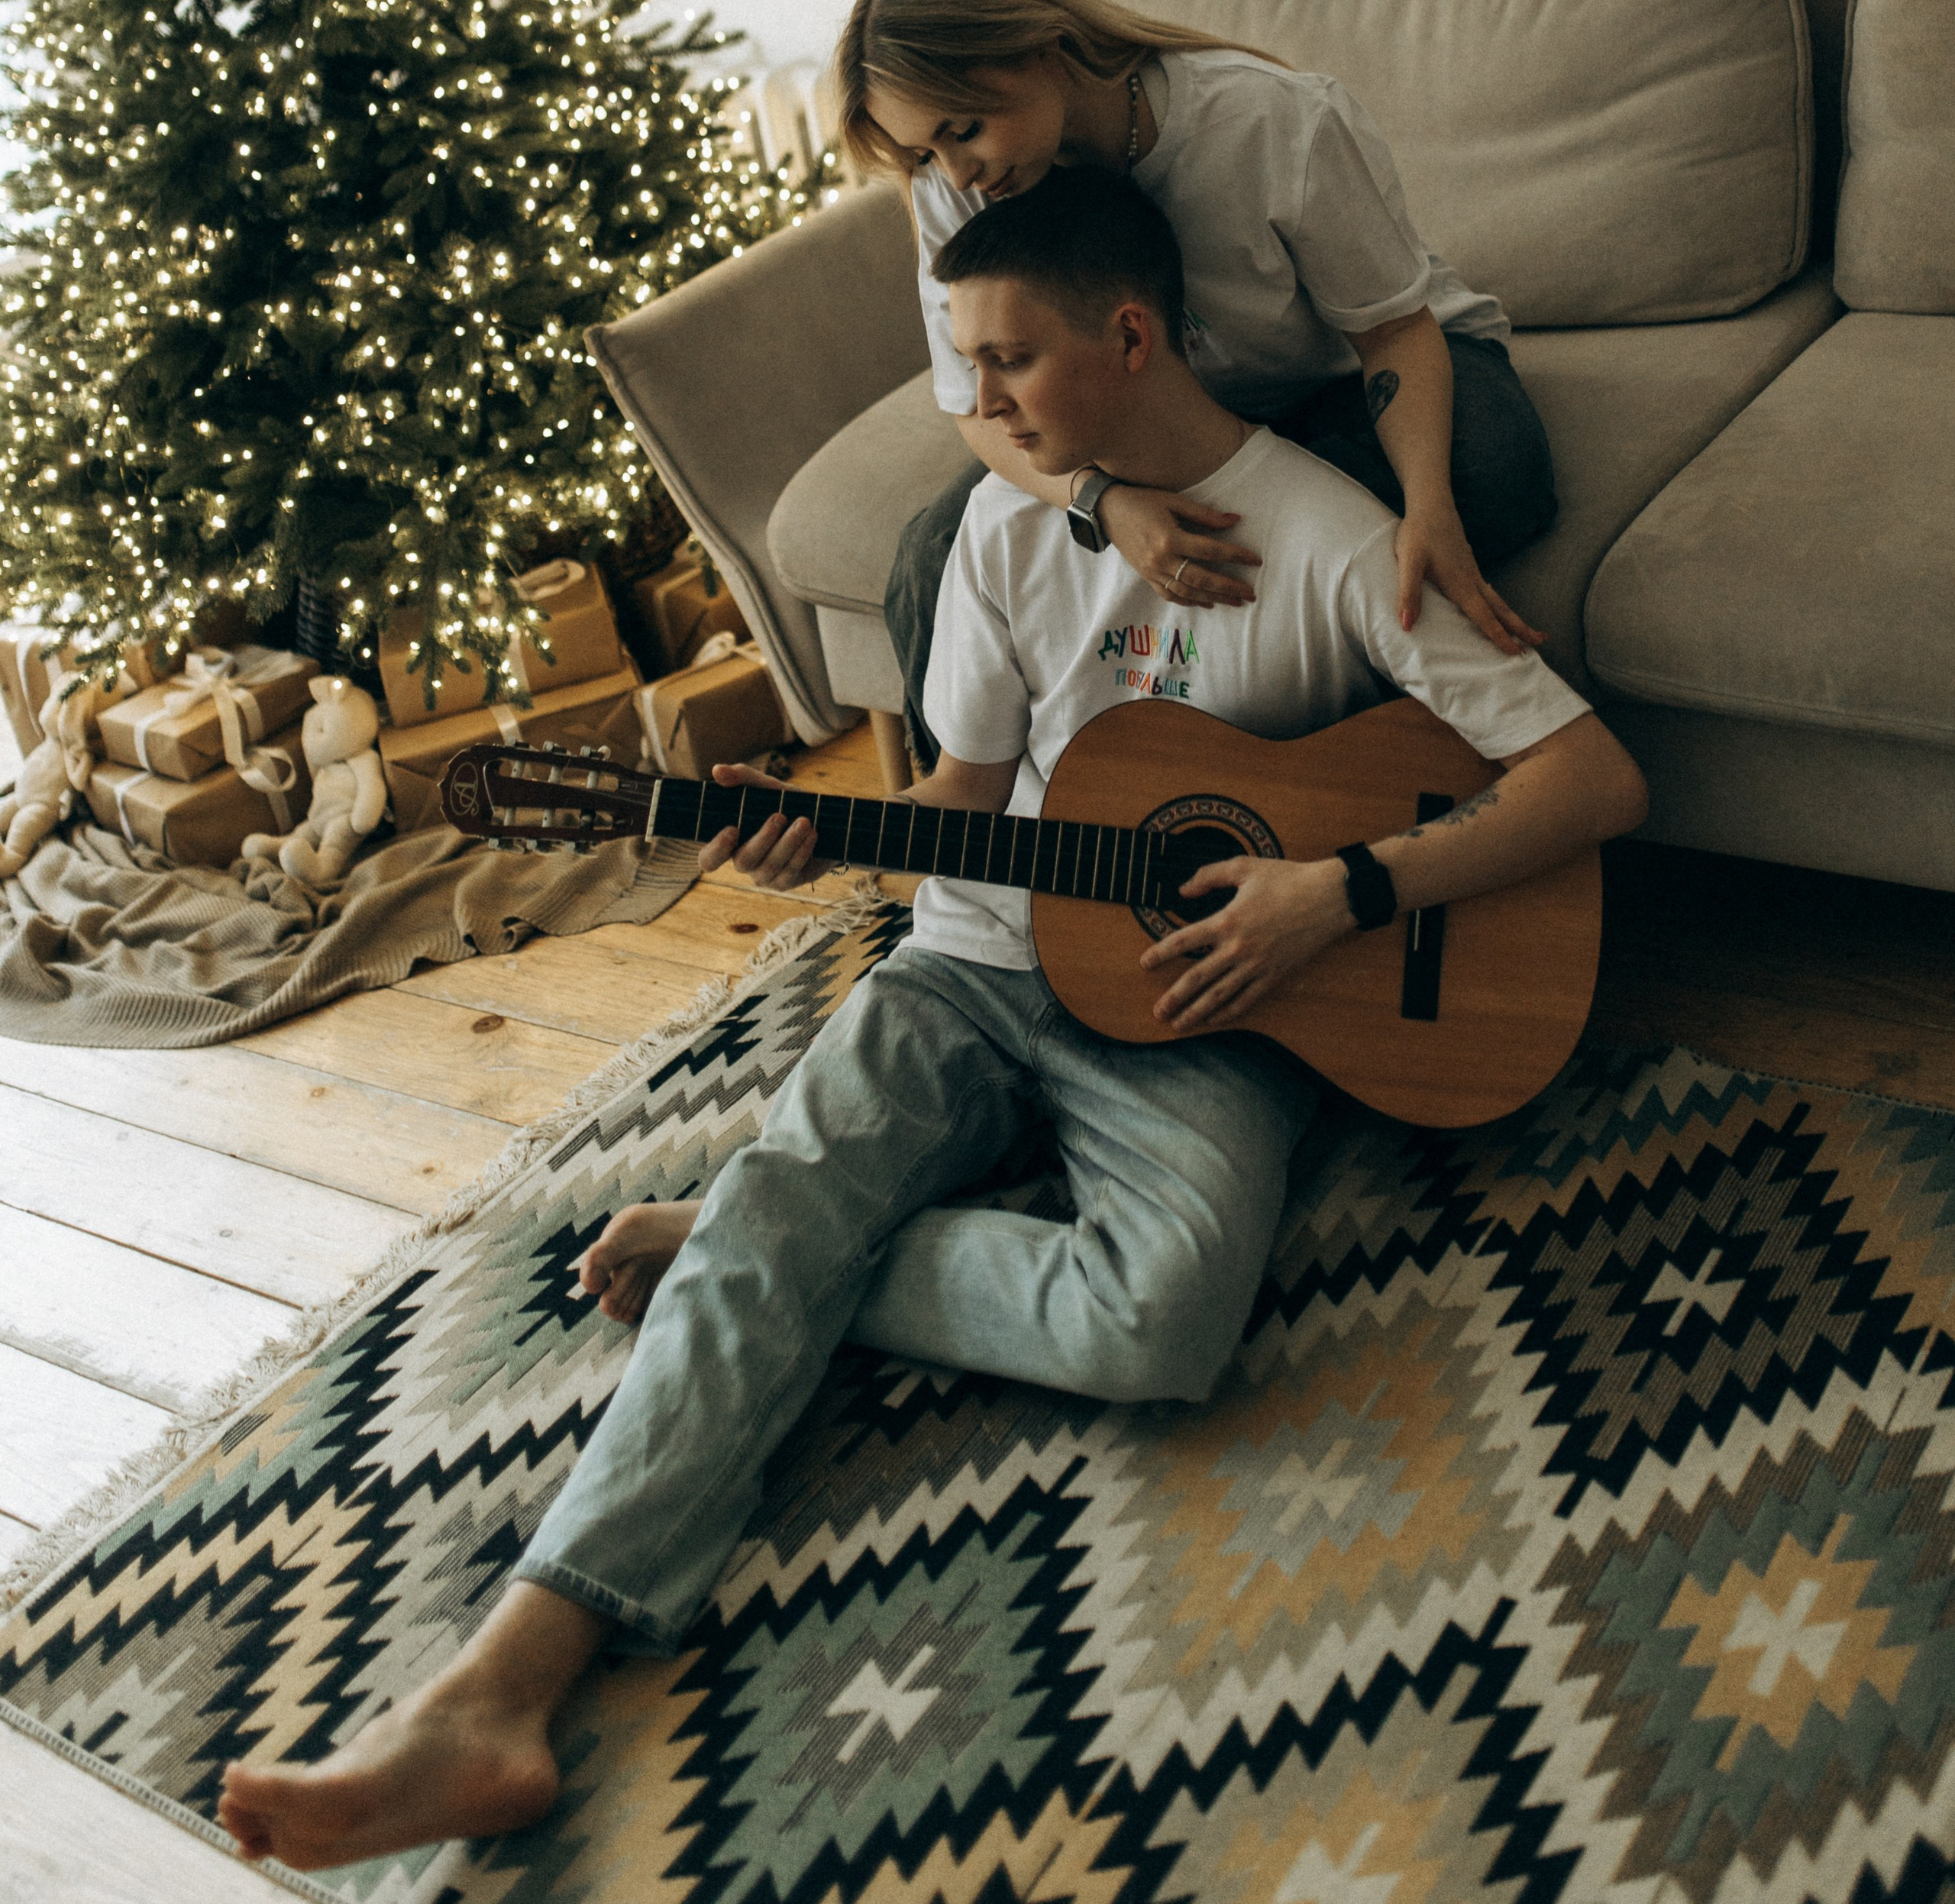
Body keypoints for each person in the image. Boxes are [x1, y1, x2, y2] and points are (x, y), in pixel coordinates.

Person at [216, 170, 1644, 1875]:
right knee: (820, 1164)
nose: (970, 405)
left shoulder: (1328, 538)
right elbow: (968, 792)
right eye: (958, 364)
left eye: (1003, 362)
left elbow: (1591, 778)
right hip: (977, 954)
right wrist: (822, 833)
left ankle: (769, 1240)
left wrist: (1332, 895)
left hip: (1215, 1000)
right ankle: (498, 1687)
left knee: (1156, 1324)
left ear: (1127, 337)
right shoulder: (1000, 529)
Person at [833, 0, 1559, 769]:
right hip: (1142, 415)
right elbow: (973, 403)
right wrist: (1101, 500)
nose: (955, 174)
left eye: (964, 128)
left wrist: (1426, 506)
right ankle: (992, 840)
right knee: (934, 549)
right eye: (926, 150)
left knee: (1491, 469)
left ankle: (1278, 787)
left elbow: (1393, 330)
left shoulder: (1273, 121)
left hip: (1343, 376)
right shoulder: (957, 189)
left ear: (1043, 46)